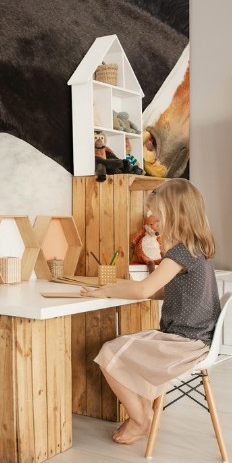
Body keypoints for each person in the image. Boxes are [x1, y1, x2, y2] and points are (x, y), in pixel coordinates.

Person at [80, 178, 221, 445]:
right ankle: (142, 411)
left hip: (184, 343)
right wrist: (128, 287)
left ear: (173, 214)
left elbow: (144, 292)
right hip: (196, 340)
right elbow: (158, 291)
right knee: (125, 349)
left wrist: (107, 290)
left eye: (157, 214)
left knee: (109, 352)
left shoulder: (182, 252)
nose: (153, 220)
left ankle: (141, 418)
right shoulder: (197, 249)